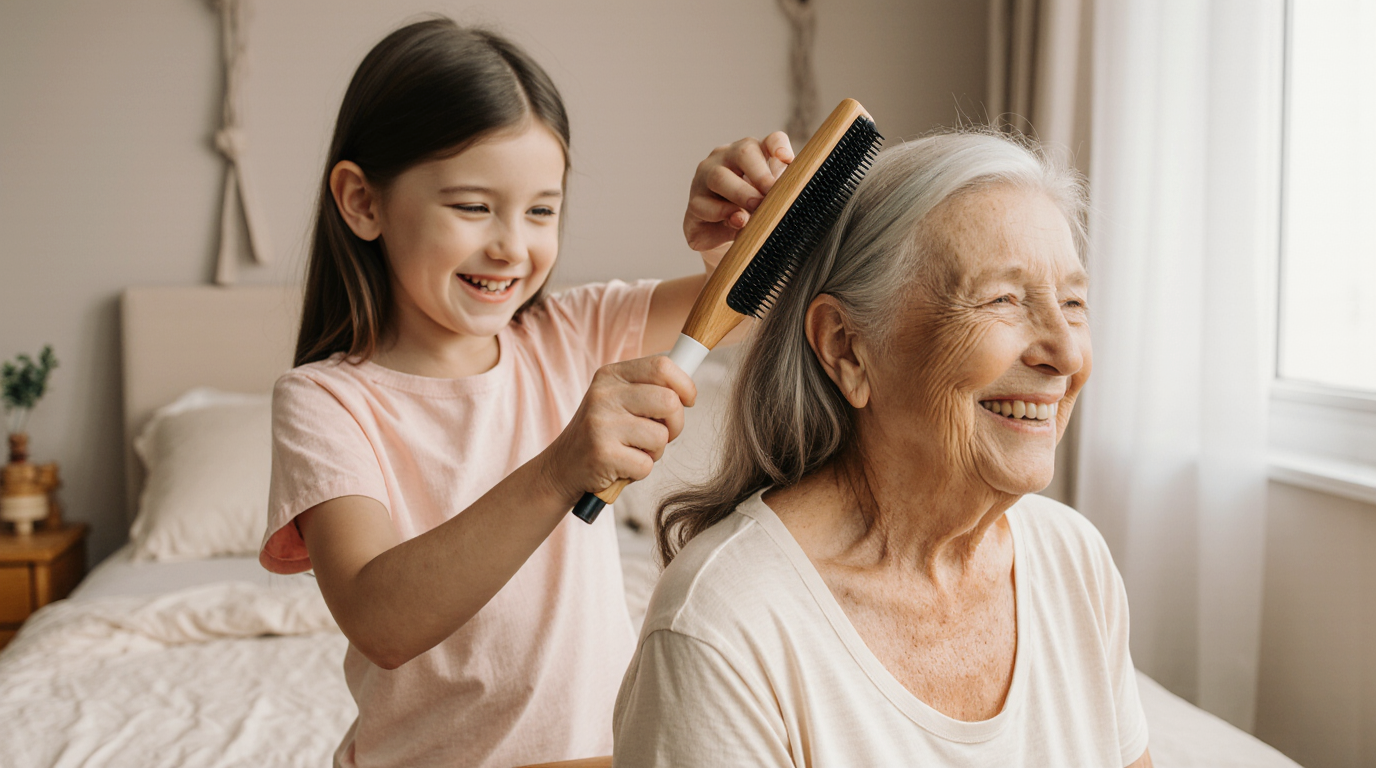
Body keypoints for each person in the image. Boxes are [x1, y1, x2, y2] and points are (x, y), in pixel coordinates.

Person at [257, 17, 793, 768]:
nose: (513, 245)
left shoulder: (573, 332)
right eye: (473, 207)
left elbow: (769, 296)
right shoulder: (325, 403)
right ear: (362, 202)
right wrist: (559, 466)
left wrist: (735, 224)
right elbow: (380, 620)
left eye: (541, 209)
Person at [614, 132, 1154, 767]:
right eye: (1002, 300)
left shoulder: (1074, 560)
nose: (1064, 354)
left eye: (1073, 303)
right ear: (846, 348)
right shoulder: (723, 625)